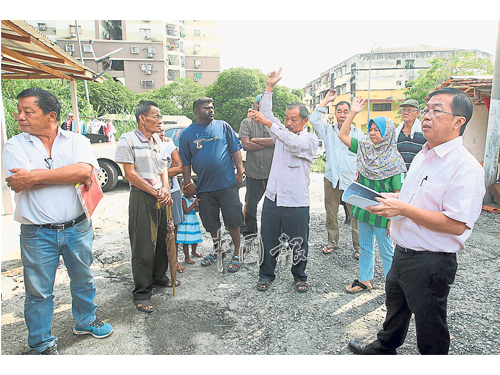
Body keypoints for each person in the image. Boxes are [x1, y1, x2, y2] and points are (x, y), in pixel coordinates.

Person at [348, 87, 485, 355]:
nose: (426, 116)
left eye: (437, 111)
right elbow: (416, 197)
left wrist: (404, 209)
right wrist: (395, 201)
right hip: (404, 252)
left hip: (431, 261)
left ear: (459, 122)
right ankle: (384, 347)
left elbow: (457, 224)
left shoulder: (465, 167)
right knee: (395, 307)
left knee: (430, 325)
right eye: (427, 110)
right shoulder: (423, 154)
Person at [3, 88, 113, 355]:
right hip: (37, 233)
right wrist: (68, 173)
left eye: (28, 111)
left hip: (77, 227)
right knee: (39, 291)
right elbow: (18, 181)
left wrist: (34, 177)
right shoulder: (14, 145)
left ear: (51, 115)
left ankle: (85, 321)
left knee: (84, 278)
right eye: (20, 111)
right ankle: (41, 343)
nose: (20, 117)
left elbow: (85, 170)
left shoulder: (77, 140)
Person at [250, 68, 318, 293]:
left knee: (299, 241)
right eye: (287, 118)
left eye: (294, 119)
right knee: (268, 240)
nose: (288, 123)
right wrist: (269, 87)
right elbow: (268, 116)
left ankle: (300, 276)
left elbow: (292, 142)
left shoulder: (310, 139)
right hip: (273, 198)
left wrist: (272, 125)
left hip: (296, 201)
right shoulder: (279, 132)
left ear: (305, 120)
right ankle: (266, 274)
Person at [338, 97, 406, 294]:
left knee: (387, 252)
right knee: (365, 248)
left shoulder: (395, 160)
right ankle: (364, 280)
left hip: (383, 214)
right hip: (363, 210)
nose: (373, 133)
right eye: (371, 129)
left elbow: (398, 194)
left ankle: (392, 288)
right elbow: (342, 135)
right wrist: (353, 112)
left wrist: (393, 219)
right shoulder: (364, 148)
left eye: (378, 130)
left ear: (387, 133)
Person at [115, 100, 174, 314]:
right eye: (156, 116)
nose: (160, 121)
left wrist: (165, 188)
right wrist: (155, 192)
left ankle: (159, 277)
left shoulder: (158, 139)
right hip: (142, 196)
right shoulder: (127, 139)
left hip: (160, 194)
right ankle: (142, 292)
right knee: (143, 245)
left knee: (162, 239)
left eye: (160, 117)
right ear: (142, 118)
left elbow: (163, 167)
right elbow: (130, 174)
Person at [178, 97, 245, 273]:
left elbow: (235, 149)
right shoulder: (187, 134)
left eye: (212, 107)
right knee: (211, 222)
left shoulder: (223, 126)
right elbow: (185, 162)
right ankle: (218, 250)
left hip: (227, 184)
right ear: (196, 111)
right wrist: (187, 182)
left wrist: (240, 171)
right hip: (204, 187)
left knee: (233, 220)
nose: (211, 110)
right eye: (206, 108)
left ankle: (237, 253)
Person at [309, 89, 363, 259]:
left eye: (346, 111)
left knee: (355, 214)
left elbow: (362, 158)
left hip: (351, 180)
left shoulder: (358, 134)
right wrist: (326, 100)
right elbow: (313, 119)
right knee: (331, 212)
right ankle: (332, 242)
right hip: (332, 177)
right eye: (339, 111)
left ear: (352, 113)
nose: (342, 114)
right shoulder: (328, 130)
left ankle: (359, 246)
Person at [239, 94, 275, 238]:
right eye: (258, 103)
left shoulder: (274, 122)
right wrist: (269, 141)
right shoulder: (246, 123)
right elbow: (246, 145)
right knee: (251, 206)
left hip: (272, 173)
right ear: (254, 105)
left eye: (264, 103)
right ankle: (250, 233)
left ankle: (271, 233)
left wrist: (256, 140)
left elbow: (279, 140)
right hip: (253, 172)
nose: (261, 106)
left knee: (273, 206)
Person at [159, 133, 185, 275]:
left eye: (163, 129)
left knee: (172, 229)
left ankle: (174, 261)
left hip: (173, 191)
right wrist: (169, 171)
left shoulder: (169, 145)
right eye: (158, 128)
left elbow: (180, 167)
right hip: (154, 193)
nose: (161, 132)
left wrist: (159, 173)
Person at [395, 98, 427, 170]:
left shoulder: (423, 131)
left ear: (417, 113)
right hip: (400, 173)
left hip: (418, 171)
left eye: (409, 110)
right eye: (403, 110)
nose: (405, 113)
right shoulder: (396, 133)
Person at [176, 179, 203, 264]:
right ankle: (187, 257)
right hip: (186, 222)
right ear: (184, 189)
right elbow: (186, 211)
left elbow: (196, 210)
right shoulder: (183, 199)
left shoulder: (193, 198)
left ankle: (194, 251)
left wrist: (197, 206)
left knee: (194, 238)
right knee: (186, 240)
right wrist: (194, 204)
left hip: (193, 221)